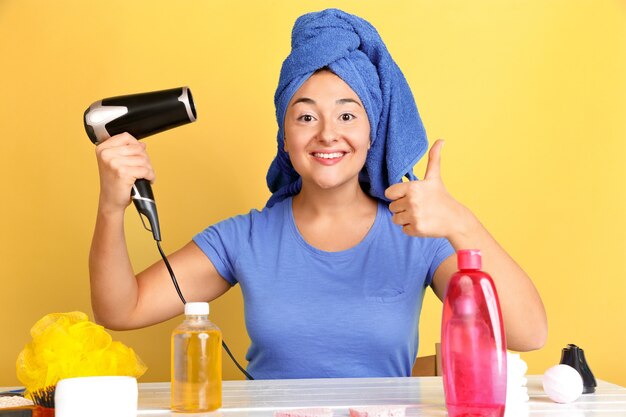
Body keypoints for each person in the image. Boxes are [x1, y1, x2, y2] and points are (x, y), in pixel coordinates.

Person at [89, 9, 547, 379]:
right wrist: (112, 206)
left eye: (348, 116)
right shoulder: (245, 237)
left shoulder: (417, 234)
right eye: (306, 117)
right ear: (284, 137)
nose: (328, 134)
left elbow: (528, 333)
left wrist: (460, 222)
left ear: (373, 133)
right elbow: (121, 308)